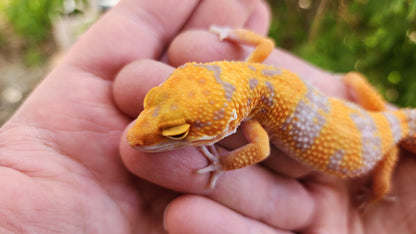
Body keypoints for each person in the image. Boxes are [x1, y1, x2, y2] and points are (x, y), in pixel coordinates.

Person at [0, 0, 414, 233]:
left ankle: (378, 188)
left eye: (176, 131)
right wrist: (236, 37)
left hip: (380, 143)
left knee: (381, 174)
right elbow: (263, 44)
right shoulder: (256, 72)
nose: (138, 134)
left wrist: (223, 160)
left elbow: (261, 147)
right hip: (373, 118)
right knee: (358, 83)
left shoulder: (253, 111)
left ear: (230, 119)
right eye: (155, 104)